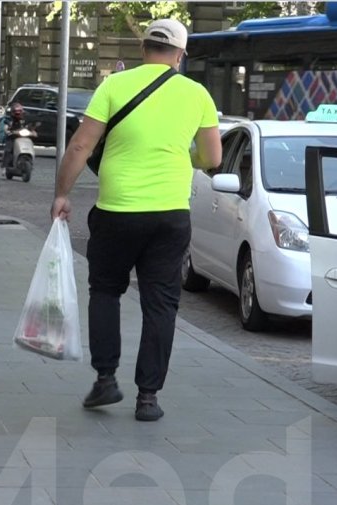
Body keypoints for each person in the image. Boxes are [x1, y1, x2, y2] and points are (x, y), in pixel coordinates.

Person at [49, 19, 222, 421]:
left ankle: (105, 379)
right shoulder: (197, 93)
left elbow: (80, 146)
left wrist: (61, 194)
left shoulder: (114, 86)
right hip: (170, 215)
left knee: (105, 291)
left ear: (144, 49)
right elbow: (212, 157)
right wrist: (183, 156)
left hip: (117, 212)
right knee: (161, 304)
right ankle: (148, 398)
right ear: (180, 56)